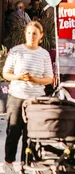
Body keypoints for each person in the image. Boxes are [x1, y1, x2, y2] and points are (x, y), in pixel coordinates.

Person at [3, 21, 54, 172]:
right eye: (29, 33)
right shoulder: (16, 51)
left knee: (31, 133)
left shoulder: (44, 54)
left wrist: (35, 80)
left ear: (41, 36)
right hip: (16, 96)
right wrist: (19, 77)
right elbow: (5, 73)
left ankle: (28, 163)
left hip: (35, 99)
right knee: (13, 131)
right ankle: (9, 162)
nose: (32, 36)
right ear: (25, 34)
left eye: (35, 33)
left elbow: (49, 78)